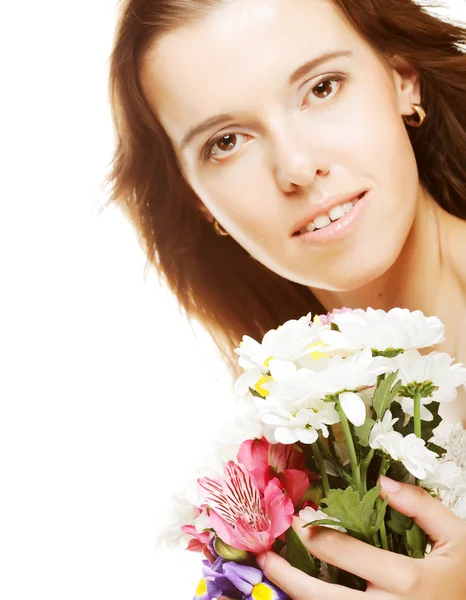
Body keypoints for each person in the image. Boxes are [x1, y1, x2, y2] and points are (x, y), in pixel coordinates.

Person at [105, 0, 466, 597]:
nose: (297, 167)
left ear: (402, 77)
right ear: (198, 201)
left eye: (322, 87)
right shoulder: (284, 444)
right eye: (226, 142)